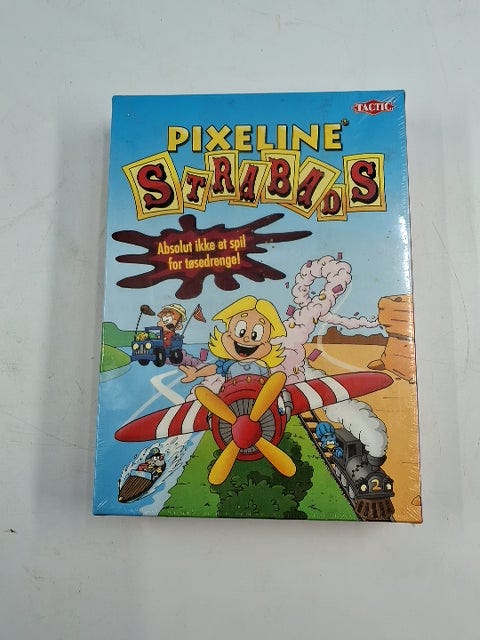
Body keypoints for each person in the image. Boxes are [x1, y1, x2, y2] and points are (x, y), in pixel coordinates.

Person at [179, 295, 286, 383]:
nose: (246, 339)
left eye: (255, 335)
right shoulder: (229, 364)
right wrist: (196, 374)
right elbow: (215, 368)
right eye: (241, 331)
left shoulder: (262, 365)